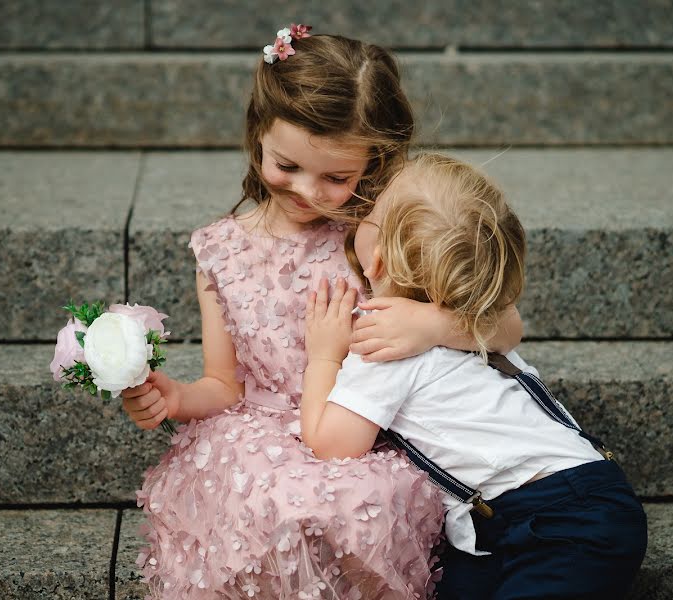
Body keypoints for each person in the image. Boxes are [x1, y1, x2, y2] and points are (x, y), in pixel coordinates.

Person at [122, 29, 522, 599]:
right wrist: (177, 399)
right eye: (287, 165)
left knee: (359, 500)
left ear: (373, 161)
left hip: (364, 428)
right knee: (276, 497)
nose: (308, 190)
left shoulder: (381, 233)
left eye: (336, 178)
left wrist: (431, 323)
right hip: (256, 435)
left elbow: (506, 326)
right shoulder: (221, 251)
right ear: (258, 132)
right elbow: (223, 383)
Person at [301, 153, 648, 600]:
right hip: (558, 504)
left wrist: (324, 356)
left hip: (560, 523)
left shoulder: (382, 344)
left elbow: (331, 444)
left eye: (370, 213)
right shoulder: (477, 318)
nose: (360, 214)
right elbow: (510, 324)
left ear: (380, 262)